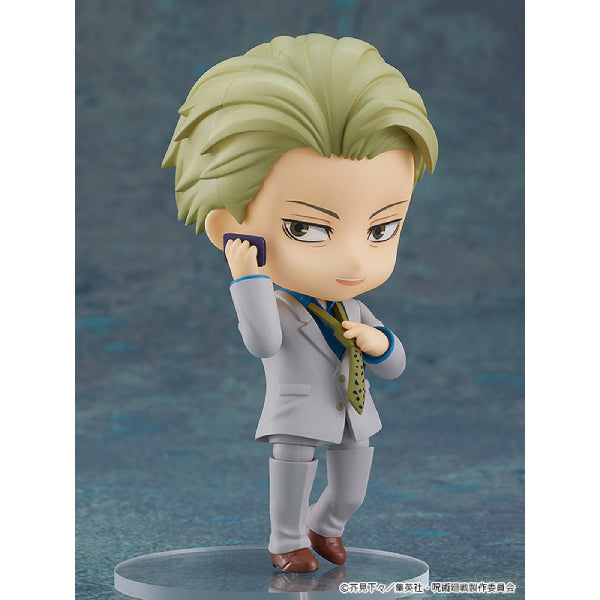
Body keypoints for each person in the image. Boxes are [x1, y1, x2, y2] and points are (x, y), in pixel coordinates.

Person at [162, 33, 438, 573]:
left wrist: (379, 342)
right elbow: (262, 342)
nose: (354, 260)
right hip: (295, 412)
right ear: (229, 227)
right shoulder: (279, 305)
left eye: (382, 229)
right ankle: (285, 539)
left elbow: (395, 366)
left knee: (352, 490)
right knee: (291, 482)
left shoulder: (353, 309)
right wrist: (248, 277)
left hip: (354, 413)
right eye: (307, 228)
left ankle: (326, 524)